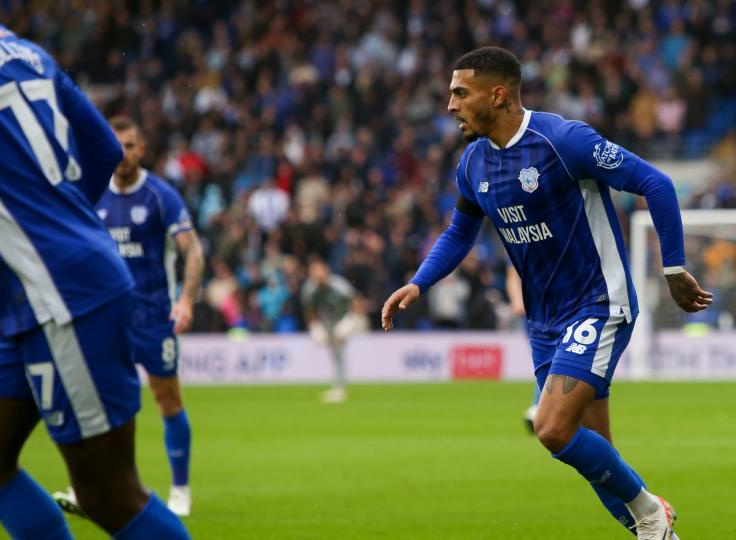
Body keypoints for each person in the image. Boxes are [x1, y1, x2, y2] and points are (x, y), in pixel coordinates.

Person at [382, 46, 712, 539]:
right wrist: (418, 281)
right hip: (543, 321)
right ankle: (653, 526)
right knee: (594, 450)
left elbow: (655, 183)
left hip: (600, 303)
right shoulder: (473, 164)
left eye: (459, 92)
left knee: (552, 429)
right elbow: (459, 233)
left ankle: (652, 513)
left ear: (498, 94)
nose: (449, 104)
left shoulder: (562, 140)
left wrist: (674, 268)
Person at [0, 22, 190, 539]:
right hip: (39, 288)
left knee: (107, 492)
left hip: (59, 293)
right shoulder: (24, 51)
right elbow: (104, 149)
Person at [53, 116, 204, 517]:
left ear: (142, 150)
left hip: (154, 317)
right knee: (96, 402)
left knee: (166, 398)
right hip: (105, 316)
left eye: (131, 146)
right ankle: (91, 487)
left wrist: (186, 300)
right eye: (117, 146)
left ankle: (181, 489)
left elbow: (192, 250)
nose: (123, 154)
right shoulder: (92, 192)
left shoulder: (160, 195)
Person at [301, 258, 368, 403]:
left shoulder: (339, 285)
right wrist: (315, 326)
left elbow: (357, 303)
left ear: (327, 272)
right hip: (328, 322)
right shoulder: (309, 289)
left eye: (320, 272)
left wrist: (350, 323)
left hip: (347, 318)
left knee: (339, 345)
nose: (318, 276)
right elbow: (310, 309)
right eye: (314, 272)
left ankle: (339, 388)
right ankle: (339, 388)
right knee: (335, 352)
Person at [507, 265, 541, 434]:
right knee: (546, 359)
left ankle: (538, 407)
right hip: (534, 310)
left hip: (559, 306)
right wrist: (517, 301)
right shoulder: (520, 241)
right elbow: (513, 274)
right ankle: (538, 407)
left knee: (554, 358)